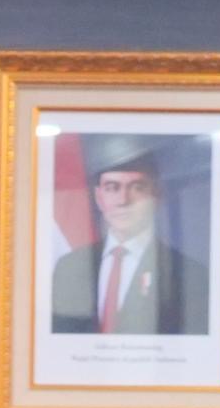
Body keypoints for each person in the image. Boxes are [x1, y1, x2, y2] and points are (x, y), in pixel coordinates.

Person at [48, 138, 209, 337]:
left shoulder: (191, 276)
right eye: (112, 187)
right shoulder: (69, 266)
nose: (123, 200)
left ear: (156, 195)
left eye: (137, 187)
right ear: (99, 197)